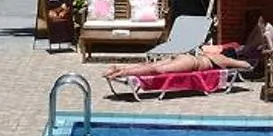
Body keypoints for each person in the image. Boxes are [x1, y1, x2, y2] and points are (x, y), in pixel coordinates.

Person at [104, 42, 254, 83]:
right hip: (191, 62)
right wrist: (246, 63)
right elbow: (246, 66)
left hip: (186, 56)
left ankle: (119, 67)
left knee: (152, 66)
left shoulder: (210, 53)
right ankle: (123, 72)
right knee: (157, 71)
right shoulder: (222, 59)